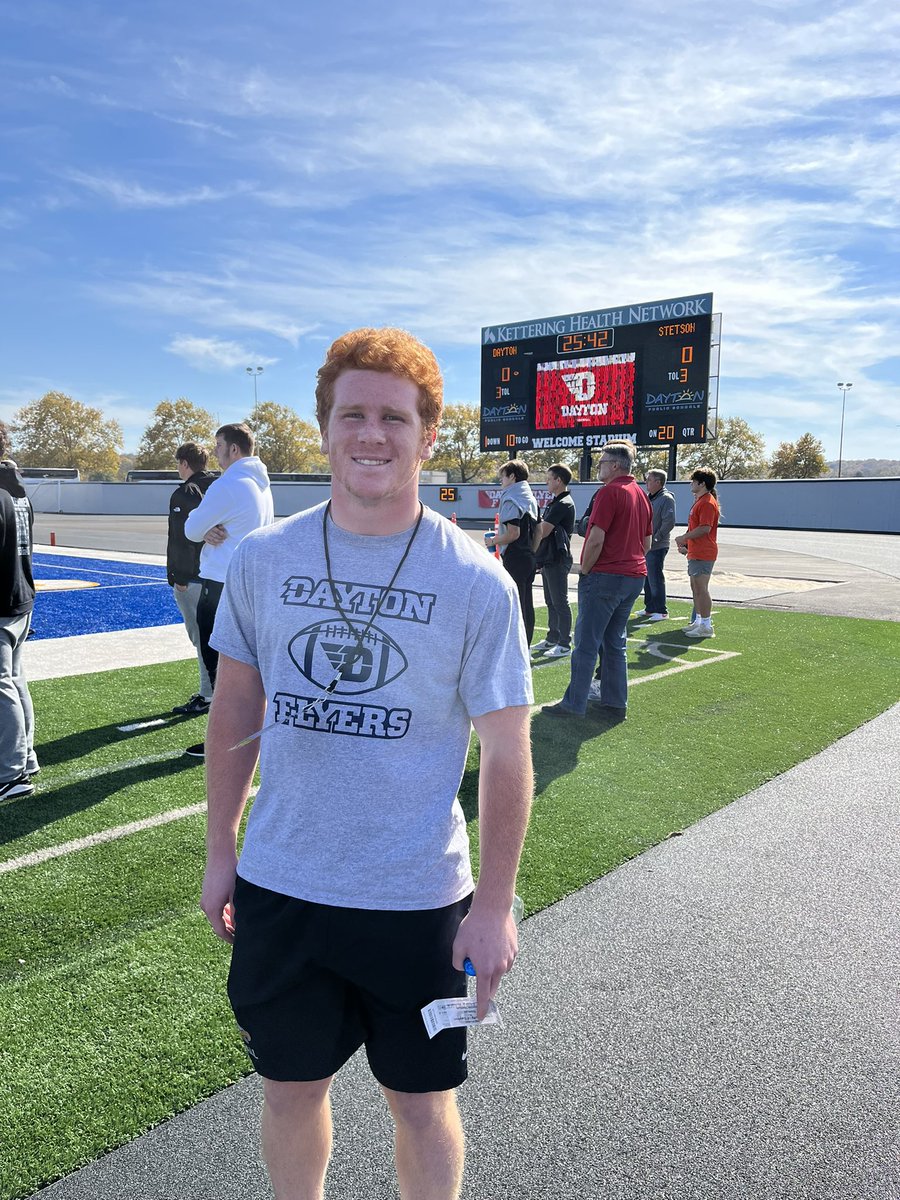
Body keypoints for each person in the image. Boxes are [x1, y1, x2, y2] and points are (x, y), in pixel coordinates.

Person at [200, 327, 534, 1200]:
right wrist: (220, 853)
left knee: (421, 1104)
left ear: (429, 435)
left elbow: (507, 750)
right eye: (353, 414)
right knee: (289, 1088)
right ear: (324, 429)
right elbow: (236, 706)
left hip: (417, 899)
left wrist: (493, 906)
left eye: (395, 416)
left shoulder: (475, 582)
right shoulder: (264, 560)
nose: (371, 434)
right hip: (282, 886)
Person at [182, 423, 273, 757]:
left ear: (234, 449)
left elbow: (191, 529)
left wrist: (204, 529)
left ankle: (221, 742)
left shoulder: (229, 484)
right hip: (250, 585)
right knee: (247, 671)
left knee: (220, 672)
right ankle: (246, 735)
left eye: (219, 445)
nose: (215, 452)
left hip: (221, 586)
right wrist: (209, 529)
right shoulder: (261, 483)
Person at [545, 440, 651, 720]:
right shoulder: (641, 494)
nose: (598, 465)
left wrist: (585, 570)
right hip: (633, 575)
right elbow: (648, 542)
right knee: (615, 642)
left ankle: (573, 704)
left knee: (587, 643)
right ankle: (615, 703)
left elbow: (595, 539)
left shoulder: (609, 493)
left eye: (602, 461)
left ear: (615, 465)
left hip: (606, 576)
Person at [0, 430, 39, 802]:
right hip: (21, 588)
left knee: (3, 685)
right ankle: (25, 760)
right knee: (14, 679)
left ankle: (11, 773)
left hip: (5, 594)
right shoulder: (18, 488)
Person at [166, 442, 216, 715]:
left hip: (195, 577)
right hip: (219, 576)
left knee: (201, 637)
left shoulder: (185, 492)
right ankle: (215, 691)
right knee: (216, 637)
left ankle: (209, 695)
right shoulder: (220, 487)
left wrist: (179, 575)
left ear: (185, 463)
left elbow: (181, 539)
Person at [486, 460, 538, 645]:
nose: (501, 480)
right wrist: (531, 551)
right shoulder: (530, 497)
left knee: (516, 605)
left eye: (503, 476)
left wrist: (493, 541)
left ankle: (518, 646)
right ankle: (527, 644)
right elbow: (538, 531)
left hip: (515, 558)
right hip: (529, 557)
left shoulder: (511, 498)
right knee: (527, 603)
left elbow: (513, 533)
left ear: (512, 477)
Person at [530, 463, 576, 658]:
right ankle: (553, 636)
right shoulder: (555, 502)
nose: (547, 482)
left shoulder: (563, 504)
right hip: (550, 558)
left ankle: (564, 643)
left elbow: (544, 530)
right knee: (550, 601)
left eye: (549, 478)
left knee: (560, 602)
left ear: (559, 480)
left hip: (557, 559)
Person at [675, 467, 720, 638]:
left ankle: (706, 626)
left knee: (701, 589)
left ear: (702, 483)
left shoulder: (707, 502)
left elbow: (705, 528)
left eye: (693, 481)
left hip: (704, 552)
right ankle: (700, 621)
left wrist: (683, 537)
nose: (690, 484)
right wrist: (687, 544)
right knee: (695, 588)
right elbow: (696, 526)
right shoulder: (701, 501)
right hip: (696, 551)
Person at [634, 468, 676, 622]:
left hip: (657, 545)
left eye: (649, 480)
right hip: (647, 544)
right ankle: (650, 608)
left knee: (655, 577)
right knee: (647, 577)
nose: (646, 482)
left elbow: (669, 522)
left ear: (658, 482)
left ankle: (661, 610)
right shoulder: (649, 497)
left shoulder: (666, 498)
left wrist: (655, 539)